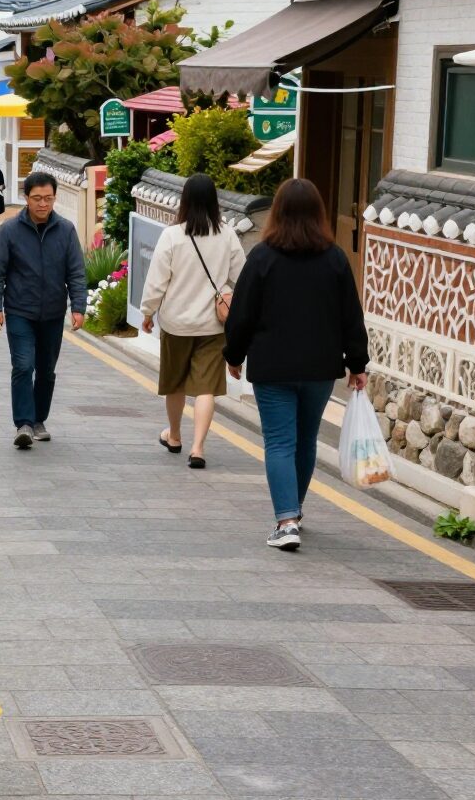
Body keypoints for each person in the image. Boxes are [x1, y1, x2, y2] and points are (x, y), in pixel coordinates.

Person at [224, 177, 369, 552]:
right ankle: (296, 511)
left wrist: (233, 354)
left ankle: (286, 519)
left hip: (273, 367)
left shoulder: (262, 256)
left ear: (278, 211)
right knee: (305, 440)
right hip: (320, 368)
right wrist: (357, 363)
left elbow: (242, 313)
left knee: (279, 441)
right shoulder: (335, 258)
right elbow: (351, 316)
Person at [139, 173, 246, 469]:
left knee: (174, 383)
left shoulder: (172, 236)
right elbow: (243, 277)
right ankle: (198, 448)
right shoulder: (227, 235)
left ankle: (174, 436)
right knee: (206, 388)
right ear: (215, 201)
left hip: (175, 323)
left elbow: (157, 280)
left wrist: (147, 312)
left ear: (184, 200)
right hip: (213, 325)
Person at [0, 171, 87, 449]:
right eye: (37, 198)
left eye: (48, 198)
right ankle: (24, 424)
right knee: (23, 365)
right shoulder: (10, 231)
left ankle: (39, 419)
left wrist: (78, 307)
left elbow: (76, 273)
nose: (43, 204)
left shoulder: (65, 230)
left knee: (46, 370)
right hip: (19, 311)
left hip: (53, 314)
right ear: (26, 199)